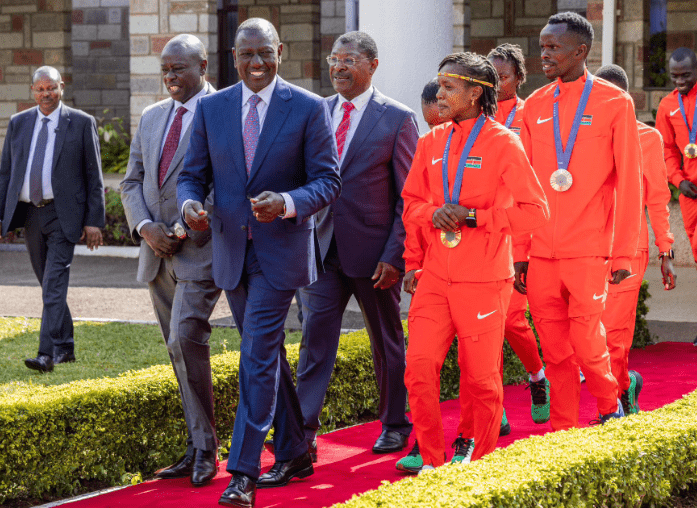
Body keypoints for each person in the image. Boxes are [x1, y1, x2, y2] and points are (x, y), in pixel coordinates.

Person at [176, 18, 341, 508]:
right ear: (233, 56)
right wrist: (189, 206)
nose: (256, 63)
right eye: (246, 54)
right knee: (263, 354)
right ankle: (295, 452)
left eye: (264, 53)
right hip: (230, 251)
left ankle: (244, 472)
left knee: (256, 357)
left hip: (281, 253)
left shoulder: (309, 108)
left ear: (280, 51)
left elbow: (328, 181)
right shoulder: (212, 108)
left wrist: (288, 202)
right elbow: (192, 176)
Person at [399, 51, 549, 473]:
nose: (440, 93)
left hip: (484, 279)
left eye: (449, 86)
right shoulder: (430, 142)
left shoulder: (504, 143)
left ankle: (473, 456)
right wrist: (432, 215)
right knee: (418, 369)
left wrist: (474, 217)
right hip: (434, 279)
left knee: (481, 378)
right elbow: (410, 204)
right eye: (440, 85)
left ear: (475, 92)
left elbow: (535, 211)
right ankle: (430, 460)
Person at [294, 30, 418, 458]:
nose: (338, 67)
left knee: (386, 341)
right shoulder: (317, 111)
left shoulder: (397, 118)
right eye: (333, 59)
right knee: (314, 340)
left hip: (375, 255)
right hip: (321, 251)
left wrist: (395, 254)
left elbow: (409, 196)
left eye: (348, 59)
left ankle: (396, 425)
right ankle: (303, 432)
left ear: (372, 65)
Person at [519, 12, 643, 431]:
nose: (544, 54)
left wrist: (622, 251)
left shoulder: (614, 102)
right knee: (554, 352)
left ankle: (610, 411)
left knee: (590, 345)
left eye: (553, 47)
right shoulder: (534, 106)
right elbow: (525, 189)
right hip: (540, 254)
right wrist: (520, 252)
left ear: (581, 51)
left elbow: (629, 184)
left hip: (589, 251)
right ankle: (562, 431)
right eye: (542, 46)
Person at [120, 34, 222, 487]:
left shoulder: (223, 111)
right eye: (165, 69)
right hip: (155, 255)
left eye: (178, 68)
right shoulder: (151, 116)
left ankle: (205, 448)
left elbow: (229, 180)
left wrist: (179, 230)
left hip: (201, 251)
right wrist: (146, 230)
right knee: (177, 352)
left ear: (202, 65)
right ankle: (196, 444)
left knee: (185, 338)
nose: (170, 77)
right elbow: (131, 182)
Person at [0, 66, 104, 373]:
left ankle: (46, 354)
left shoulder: (82, 123)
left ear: (62, 87)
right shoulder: (19, 123)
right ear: (32, 91)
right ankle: (66, 346)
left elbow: (93, 175)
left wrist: (94, 220)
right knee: (49, 285)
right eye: (41, 89)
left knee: (53, 285)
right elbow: (6, 172)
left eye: (52, 88)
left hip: (64, 215)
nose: (47, 94)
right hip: (30, 214)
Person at [595, 64, 676, 415]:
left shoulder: (648, 138)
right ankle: (626, 384)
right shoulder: (586, 138)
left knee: (614, 331)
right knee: (589, 332)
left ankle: (610, 408)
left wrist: (666, 248)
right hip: (586, 248)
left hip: (630, 247)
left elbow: (658, 198)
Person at [656, 48, 697, 271]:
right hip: (690, 190)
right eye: (675, 76)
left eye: (686, 75)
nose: (679, 81)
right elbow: (668, 150)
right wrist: (678, 180)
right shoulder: (667, 106)